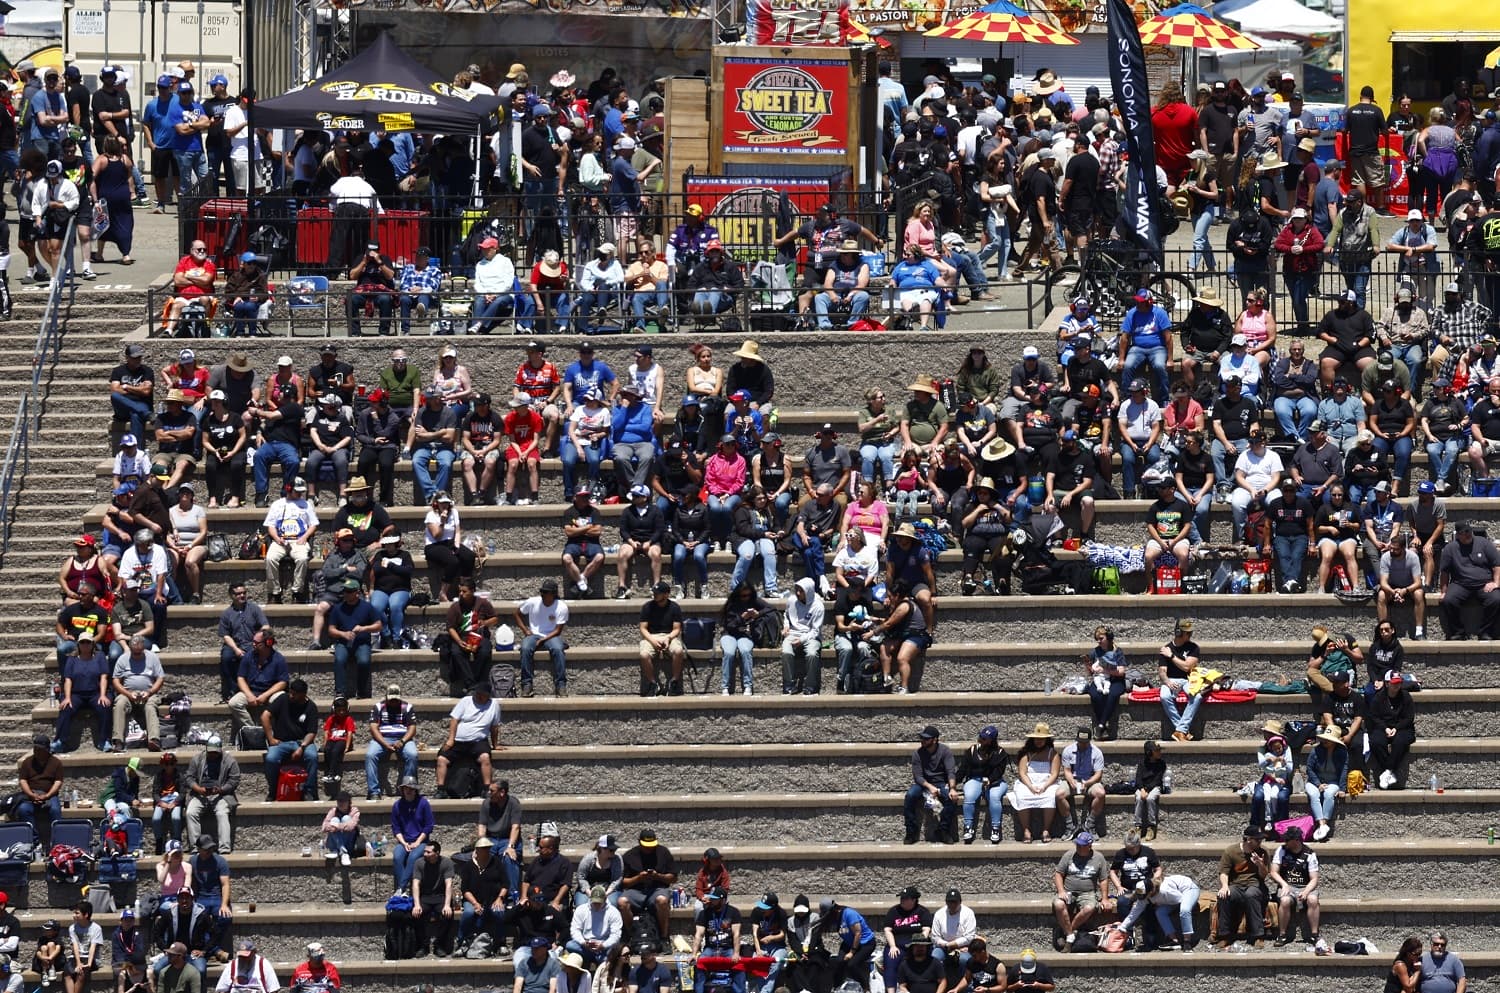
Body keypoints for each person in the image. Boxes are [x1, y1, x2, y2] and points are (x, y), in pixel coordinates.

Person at [434, 682, 501, 798]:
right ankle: (441, 790)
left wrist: (495, 744)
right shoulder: (466, 701)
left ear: (488, 695)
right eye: (477, 693)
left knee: (485, 757)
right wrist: (451, 739)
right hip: (459, 740)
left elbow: (494, 727)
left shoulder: (494, 705)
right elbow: (454, 720)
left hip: (478, 741)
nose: (479, 696)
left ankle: (486, 788)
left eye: (482, 694)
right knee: (442, 759)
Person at [1438, 520, 1500, 640]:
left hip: (1484, 583)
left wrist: (1496, 583)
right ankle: (1458, 632)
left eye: (1468, 531)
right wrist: (1443, 591)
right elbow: (1444, 572)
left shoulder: (1484, 543)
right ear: (1457, 534)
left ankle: (1485, 632)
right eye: (1463, 532)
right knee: (1448, 600)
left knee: (1496, 599)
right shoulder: (1450, 548)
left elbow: (1497, 565)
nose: (1467, 534)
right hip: (1460, 584)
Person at [259, 678, 318, 802]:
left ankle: (309, 791)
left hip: (301, 741)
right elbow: (265, 716)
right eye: (290, 692)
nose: (291, 696)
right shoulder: (283, 699)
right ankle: (274, 791)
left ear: (303, 694)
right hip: (281, 741)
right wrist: (271, 738)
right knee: (271, 758)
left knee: (312, 756)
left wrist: (302, 747)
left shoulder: (311, 707)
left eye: (294, 694)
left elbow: (311, 732)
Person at [618, 828, 677, 942]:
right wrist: (638, 878)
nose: (649, 848)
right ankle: (632, 936)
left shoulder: (663, 852)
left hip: (657, 889)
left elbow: (673, 878)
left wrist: (658, 876)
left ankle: (664, 937)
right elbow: (623, 882)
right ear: (639, 842)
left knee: (662, 900)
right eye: (646, 846)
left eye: (651, 845)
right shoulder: (630, 856)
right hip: (636, 890)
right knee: (622, 902)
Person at [1051, 832, 1108, 950]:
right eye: (1077, 845)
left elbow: (1103, 880)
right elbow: (1058, 874)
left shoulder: (1098, 858)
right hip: (1069, 890)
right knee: (1058, 904)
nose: (1078, 847)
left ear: (1089, 845)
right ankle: (1071, 935)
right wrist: (1061, 891)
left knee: (1089, 907)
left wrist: (1105, 898)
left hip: (1088, 893)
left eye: (1082, 845)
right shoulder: (1069, 855)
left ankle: (1067, 932)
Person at [1215, 828, 1270, 948]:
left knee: (1251, 895)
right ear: (1249, 839)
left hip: (1255, 884)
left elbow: (1264, 876)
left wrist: (1260, 864)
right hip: (1236, 885)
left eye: (1261, 839)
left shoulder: (1263, 852)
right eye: (1258, 839)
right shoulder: (1231, 851)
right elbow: (1224, 872)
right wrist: (1224, 886)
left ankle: (1258, 936)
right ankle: (1225, 936)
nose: (1261, 841)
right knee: (1224, 896)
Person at [515, 580, 569, 698]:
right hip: (534, 634)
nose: (543, 595)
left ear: (554, 594)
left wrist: (543, 640)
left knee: (558, 650)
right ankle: (527, 684)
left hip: (552, 635)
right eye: (542, 592)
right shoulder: (533, 602)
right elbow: (517, 613)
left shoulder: (561, 607)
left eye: (546, 592)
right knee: (525, 648)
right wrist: (525, 630)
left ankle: (561, 684)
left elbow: (558, 630)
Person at [903, 725, 956, 845]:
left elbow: (951, 772)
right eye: (922, 738)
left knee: (951, 798)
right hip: (923, 784)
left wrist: (952, 788)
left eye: (926, 739)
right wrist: (930, 787)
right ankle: (911, 831)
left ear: (935, 739)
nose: (923, 741)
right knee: (910, 796)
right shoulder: (917, 753)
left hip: (941, 783)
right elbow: (918, 776)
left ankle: (943, 830)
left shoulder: (945, 751)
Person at [956, 726, 1007, 845]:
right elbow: (962, 769)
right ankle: (968, 827)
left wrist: (990, 779)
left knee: (994, 797)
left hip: (996, 782)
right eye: (981, 737)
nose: (981, 739)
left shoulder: (1000, 752)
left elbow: (999, 771)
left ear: (992, 740)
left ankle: (995, 828)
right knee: (969, 796)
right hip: (975, 779)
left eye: (985, 738)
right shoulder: (972, 750)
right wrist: (952, 784)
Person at [1158, 619, 1206, 742]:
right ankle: (1183, 730)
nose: (1190, 635)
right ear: (1178, 632)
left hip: (1188, 679)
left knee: (1197, 696)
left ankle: (1180, 730)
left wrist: (1172, 656)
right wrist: (1168, 682)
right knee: (1164, 696)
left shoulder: (1193, 647)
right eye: (1187, 633)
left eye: (1191, 633)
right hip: (1171, 679)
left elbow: (1187, 667)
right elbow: (1162, 671)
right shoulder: (1166, 648)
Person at [1368, 672, 1417, 790]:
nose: (1397, 686)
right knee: (1376, 741)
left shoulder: (1405, 696)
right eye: (1394, 683)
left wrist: (1397, 728)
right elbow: (1374, 716)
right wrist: (1385, 728)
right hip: (1383, 727)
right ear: (1386, 683)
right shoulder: (1378, 697)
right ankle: (1390, 771)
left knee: (1400, 742)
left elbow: (1409, 717)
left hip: (1402, 728)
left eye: (1399, 683)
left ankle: (1387, 771)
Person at [815, 897, 876, 991]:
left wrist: (852, 952)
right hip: (849, 943)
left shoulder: (849, 914)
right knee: (837, 962)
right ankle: (836, 986)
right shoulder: (835, 917)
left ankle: (865, 987)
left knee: (851, 965)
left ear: (833, 910)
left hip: (865, 943)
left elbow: (858, 933)